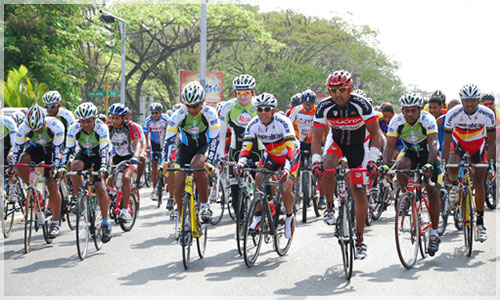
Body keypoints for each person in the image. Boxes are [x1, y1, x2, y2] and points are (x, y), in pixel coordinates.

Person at [311, 70, 384, 259]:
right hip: (336, 141)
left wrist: (373, 160)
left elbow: (376, 134)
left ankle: (360, 239)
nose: (338, 94)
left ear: (350, 89)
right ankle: (329, 207)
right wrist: (315, 161)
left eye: (342, 89)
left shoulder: (361, 104)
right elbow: (317, 138)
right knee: (327, 165)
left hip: (359, 145)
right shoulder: (324, 107)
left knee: (359, 190)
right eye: (333, 90)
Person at [382, 93, 442, 255]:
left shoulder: (428, 119)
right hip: (410, 154)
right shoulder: (396, 121)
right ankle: (406, 195)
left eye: (413, 111)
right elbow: (389, 146)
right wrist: (385, 165)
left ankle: (435, 234)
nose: (409, 114)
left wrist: (429, 164)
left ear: (420, 109)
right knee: (400, 166)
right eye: (406, 111)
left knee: (433, 192)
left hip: (428, 154)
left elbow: (434, 143)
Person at [235, 92, 299, 239]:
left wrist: (287, 168)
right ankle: (258, 217)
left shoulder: (283, 122)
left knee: (285, 186)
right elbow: (246, 147)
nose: (262, 113)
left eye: (266, 109)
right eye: (259, 109)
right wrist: (240, 163)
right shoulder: (253, 124)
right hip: (270, 154)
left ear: (273, 110)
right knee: (258, 177)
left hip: (290, 155)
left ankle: (289, 216)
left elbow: (291, 148)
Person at [442, 84, 496, 242]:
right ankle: (454, 186)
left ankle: (480, 223)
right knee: (452, 166)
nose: (470, 104)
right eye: (466, 101)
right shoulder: (453, 114)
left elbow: (491, 143)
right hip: (458, 143)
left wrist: (491, 164)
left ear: (479, 100)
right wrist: (443, 164)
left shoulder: (487, 113)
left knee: (479, 181)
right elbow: (446, 142)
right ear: (462, 101)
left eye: (473, 100)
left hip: (477, 146)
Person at [161, 81, 220, 223]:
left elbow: (215, 139)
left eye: (196, 106)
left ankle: (205, 206)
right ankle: (183, 221)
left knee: (197, 166)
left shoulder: (210, 113)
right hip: (185, 147)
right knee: (179, 184)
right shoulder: (178, 115)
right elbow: (169, 140)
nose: (192, 110)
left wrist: (210, 162)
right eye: (189, 106)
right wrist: (165, 161)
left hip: (203, 146)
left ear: (203, 102)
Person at [58, 102, 112, 243]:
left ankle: (106, 221)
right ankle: (80, 197)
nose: (86, 125)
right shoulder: (74, 128)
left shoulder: (102, 128)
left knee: (100, 187)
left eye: (89, 121)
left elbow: (104, 150)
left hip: (100, 155)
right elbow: (68, 149)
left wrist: (102, 167)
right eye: (83, 121)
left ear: (94, 119)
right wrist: (63, 166)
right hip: (84, 154)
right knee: (74, 166)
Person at [10, 104, 65, 238]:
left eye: (39, 128)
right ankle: (33, 188)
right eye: (33, 129)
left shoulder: (56, 126)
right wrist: (12, 166)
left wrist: (55, 167)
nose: (36, 131)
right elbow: (17, 149)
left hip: (52, 150)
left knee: (51, 183)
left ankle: (55, 223)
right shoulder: (24, 128)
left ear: (45, 122)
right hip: (37, 149)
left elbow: (57, 151)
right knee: (21, 161)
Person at [218, 74, 262, 219]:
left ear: (253, 93)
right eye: (239, 93)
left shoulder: (259, 106)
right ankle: (241, 221)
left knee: (262, 182)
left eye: (246, 93)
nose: (243, 97)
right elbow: (221, 134)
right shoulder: (228, 107)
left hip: (257, 149)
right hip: (236, 149)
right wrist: (220, 157)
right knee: (235, 188)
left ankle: (264, 213)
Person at [288, 89, 326, 208]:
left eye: (310, 104)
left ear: (314, 102)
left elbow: (326, 126)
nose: (308, 107)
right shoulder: (296, 110)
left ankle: (322, 197)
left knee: (322, 168)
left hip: (316, 141)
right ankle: (296, 190)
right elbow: (288, 125)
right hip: (300, 141)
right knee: (295, 166)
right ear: (302, 103)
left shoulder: (319, 111)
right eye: (305, 104)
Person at [108, 103, 143, 224]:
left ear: (124, 118)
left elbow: (137, 144)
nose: (114, 120)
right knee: (107, 177)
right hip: (117, 156)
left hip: (130, 157)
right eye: (112, 117)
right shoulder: (108, 127)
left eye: (117, 118)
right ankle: (113, 196)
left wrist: (136, 156)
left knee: (126, 178)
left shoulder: (131, 127)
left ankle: (124, 211)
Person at [143, 103, 173, 206]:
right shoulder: (148, 121)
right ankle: (155, 189)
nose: (154, 115)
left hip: (165, 142)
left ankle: (170, 189)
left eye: (156, 113)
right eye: (152, 113)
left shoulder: (166, 119)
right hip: (154, 144)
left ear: (161, 112)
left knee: (168, 165)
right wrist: (147, 148)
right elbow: (146, 135)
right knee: (154, 165)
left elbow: (171, 133)